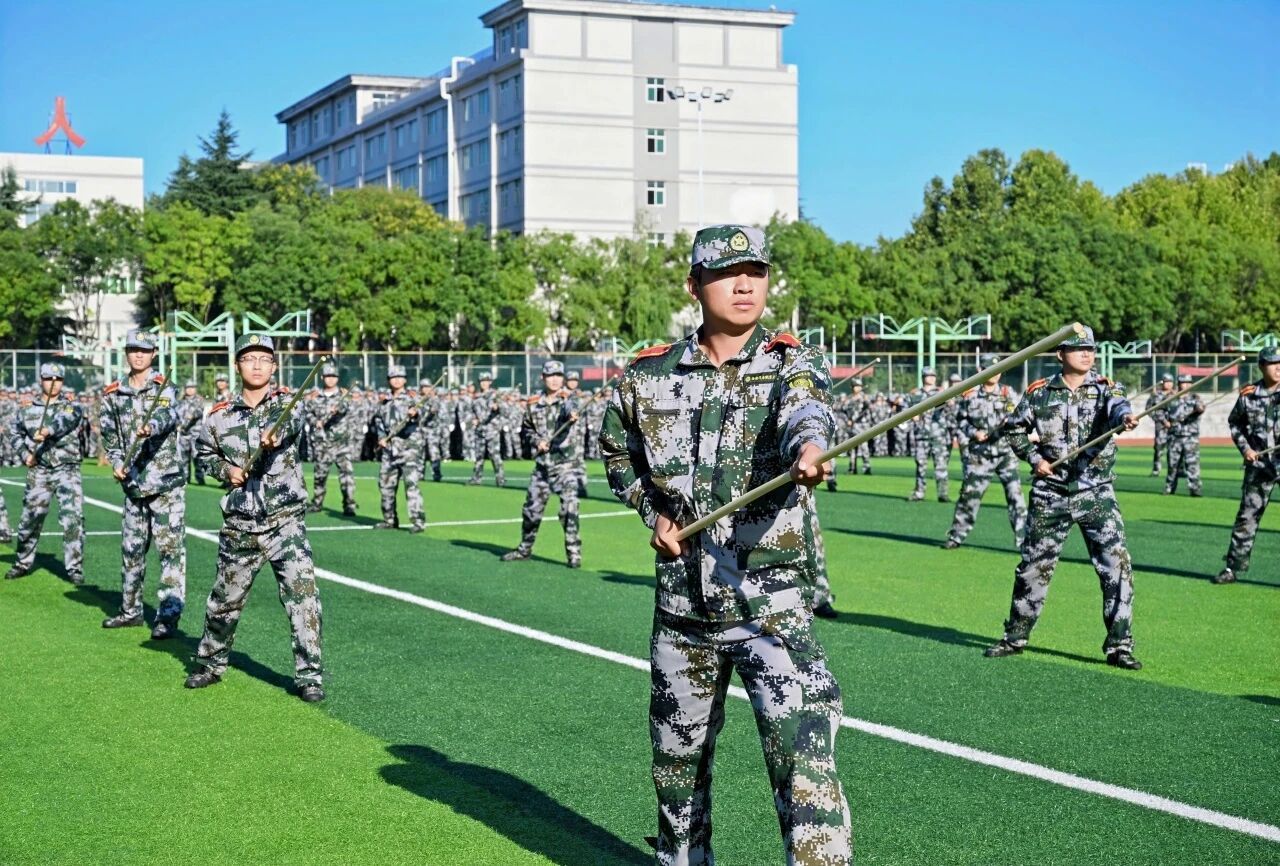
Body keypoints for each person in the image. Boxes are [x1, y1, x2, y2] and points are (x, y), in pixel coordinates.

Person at [600, 225, 852, 864]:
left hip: (771, 611)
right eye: (726, 273)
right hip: (683, 614)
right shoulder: (647, 376)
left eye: (755, 272)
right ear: (695, 286)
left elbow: (807, 411)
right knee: (677, 782)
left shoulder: (791, 362)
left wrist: (810, 449)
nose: (744, 285)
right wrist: (653, 510)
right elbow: (618, 453)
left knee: (806, 774)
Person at [984, 326, 1142, 669]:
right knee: (1033, 568)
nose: (1086, 354)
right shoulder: (1040, 392)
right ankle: (1015, 637)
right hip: (1051, 493)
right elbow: (1014, 429)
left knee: (1117, 566)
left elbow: (1119, 407)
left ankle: (1120, 646)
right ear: (1060, 354)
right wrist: (1035, 459)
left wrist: (1125, 418)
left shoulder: (1107, 388)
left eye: (1091, 349)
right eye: (1078, 349)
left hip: (1096, 492)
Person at [185, 334, 324, 702]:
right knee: (224, 600)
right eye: (250, 358)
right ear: (237, 366)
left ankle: (310, 676)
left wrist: (273, 433)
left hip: (285, 522)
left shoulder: (288, 403)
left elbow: (289, 422)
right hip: (241, 523)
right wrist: (226, 470)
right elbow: (204, 454)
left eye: (264, 359)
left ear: (274, 366)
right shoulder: (219, 415)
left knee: (303, 598)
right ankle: (210, 663)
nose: (257, 365)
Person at [99, 330, 188, 638]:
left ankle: (168, 618)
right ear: (126, 353)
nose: (138, 355)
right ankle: (130, 610)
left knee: (170, 553)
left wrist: (151, 426)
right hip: (134, 485)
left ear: (153, 354)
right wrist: (116, 462)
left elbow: (169, 415)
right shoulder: (113, 393)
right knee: (132, 551)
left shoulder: (165, 386)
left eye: (144, 350)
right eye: (133, 350)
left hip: (165, 485)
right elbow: (109, 436)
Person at [4, 363, 84, 584]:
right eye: (49, 379)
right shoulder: (26, 408)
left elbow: (65, 421)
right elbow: (14, 432)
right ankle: (22, 562)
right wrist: (24, 454)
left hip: (67, 469)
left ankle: (75, 568)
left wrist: (47, 431)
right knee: (30, 518)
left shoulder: (71, 406)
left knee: (73, 519)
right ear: (41, 380)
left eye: (58, 379)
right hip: (39, 470)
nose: (53, 383)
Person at [500, 361, 582, 568]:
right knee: (531, 511)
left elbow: (570, 408)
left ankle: (574, 553)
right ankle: (524, 550)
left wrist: (572, 415)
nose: (554, 379)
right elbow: (527, 428)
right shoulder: (533, 402)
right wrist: (537, 441)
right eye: (550, 375)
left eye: (558, 375)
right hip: (542, 467)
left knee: (569, 509)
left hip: (565, 465)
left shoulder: (569, 398)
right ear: (543, 378)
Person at [942, 355, 1026, 549]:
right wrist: (974, 432)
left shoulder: (1008, 393)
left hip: (1005, 453)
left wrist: (1011, 423)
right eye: (991, 369)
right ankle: (956, 536)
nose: (996, 374)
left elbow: (1020, 417)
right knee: (969, 496)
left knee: (1016, 497)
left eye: (998, 370)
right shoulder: (970, 395)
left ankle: (1023, 540)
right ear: (981, 371)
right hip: (980, 455)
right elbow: (960, 421)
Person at [1214, 346, 1280, 584]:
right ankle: (1232, 568)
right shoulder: (1248, 395)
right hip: (1260, 465)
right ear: (1262, 366)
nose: (1278, 367)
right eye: (1273, 363)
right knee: (1247, 517)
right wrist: (1246, 449)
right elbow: (1235, 424)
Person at [373, 365, 426, 533]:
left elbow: (425, 413)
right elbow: (378, 421)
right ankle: (389, 519)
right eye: (393, 378)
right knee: (385, 484)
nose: (396, 380)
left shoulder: (412, 398)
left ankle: (418, 521)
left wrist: (415, 414)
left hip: (408, 448)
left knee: (411, 484)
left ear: (405, 380)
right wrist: (381, 437)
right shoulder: (384, 401)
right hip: (389, 449)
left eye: (399, 377)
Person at [307, 363, 357, 515]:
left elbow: (346, 407)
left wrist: (338, 408)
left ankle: (349, 505)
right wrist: (315, 421)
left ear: (337, 378)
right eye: (328, 376)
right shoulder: (315, 397)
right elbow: (308, 413)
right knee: (320, 475)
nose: (330, 379)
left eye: (333, 376)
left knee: (346, 476)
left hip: (341, 443)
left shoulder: (343, 396)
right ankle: (317, 503)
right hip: (322, 443)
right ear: (322, 378)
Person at [907, 367, 951, 502]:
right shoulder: (915, 394)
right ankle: (919, 492)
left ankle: (943, 494)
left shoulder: (941, 393)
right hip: (921, 434)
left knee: (941, 465)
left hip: (938, 434)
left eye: (933, 375)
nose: (931, 378)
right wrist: (912, 415)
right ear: (923, 377)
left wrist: (948, 396)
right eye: (928, 375)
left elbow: (950, 406)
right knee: (920, 465)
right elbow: (906, 409)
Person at [1163, 373, 1204, 497]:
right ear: (1178, 384)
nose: (1185, 385)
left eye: (1187, 383)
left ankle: (1195, 489)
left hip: (1190, 437)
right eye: (1182, 383)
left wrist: (1199, 409)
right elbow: (1159, 411)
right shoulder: (1170, 398)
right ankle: (1169, 488)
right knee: (1172, 464)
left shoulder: (1195, 398)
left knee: (1192, 464)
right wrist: (1165, 421)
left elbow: (1201, 409)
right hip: (1174, 436)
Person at [468, 372, 506, 486]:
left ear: (490, 382)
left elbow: (504, 409)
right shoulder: (476, 397)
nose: (484, 383)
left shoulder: (495, 395)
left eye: (486, 381)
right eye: (482, 381)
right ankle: (476, 478)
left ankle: (500, 479)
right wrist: (474, 419)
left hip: (492, 429)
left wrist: (497, 407)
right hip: (480, 430)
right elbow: (472, 411)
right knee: (479, 456)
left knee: (494, 455)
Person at [177, 381, 206, 484]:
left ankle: (200, 478)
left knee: (197, 456)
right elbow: (177, 415)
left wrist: (192, 416)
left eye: (192, 387)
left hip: (195, 433)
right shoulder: (180, 401)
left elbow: (199, 412)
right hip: (183, 433)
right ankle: (185, 477)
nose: (190, 389)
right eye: (188, 387)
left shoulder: (199, 400)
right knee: (184, 457)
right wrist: (178, 425)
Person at [1146, 372, 1175, 476]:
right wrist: (1159, 420)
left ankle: (1176, 470)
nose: (1168, 384)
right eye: (1166, 381)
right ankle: (1156, 469)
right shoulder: (1155, 395)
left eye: (1170, 382)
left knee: (1175, 448)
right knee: (1158, 448)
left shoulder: (1176, 394)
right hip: (1161, 426)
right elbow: (1148, 409)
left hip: (1174, 425)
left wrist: (1173, 421)